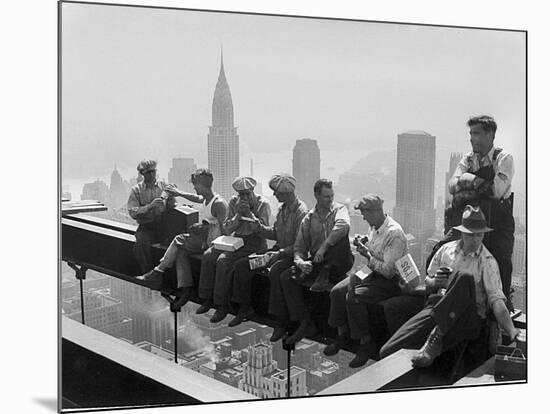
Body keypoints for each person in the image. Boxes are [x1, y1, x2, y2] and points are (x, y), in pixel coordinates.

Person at [379, 205, 520, 368]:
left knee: (464, 278)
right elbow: (428, 281)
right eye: (471, 235)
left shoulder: (487, 262)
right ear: (462, 233)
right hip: (438, 308)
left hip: (466, 317)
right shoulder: (446, 250)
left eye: (479, 235)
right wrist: (435, 282)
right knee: (387, 351)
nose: (475, 240)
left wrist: (511, 330)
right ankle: (426, 347)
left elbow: (497, 301)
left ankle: (436, 338)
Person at [437, 116, 515, 309]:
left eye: (477, 133)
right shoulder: (468, 158)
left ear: (490, 135)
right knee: (446, 250)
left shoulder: (503, 158)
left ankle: (500, 311)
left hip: (498, 220)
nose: (472, 139)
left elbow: (495, 191)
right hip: (471, 218)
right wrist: (476, 182)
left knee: (501, 261)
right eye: (471, 133)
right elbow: (452, 185)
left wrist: (466, 180)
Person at [325, 194, 409, 368]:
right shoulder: (374, 227)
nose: (363, 217)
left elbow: (388, 271)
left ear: (376, 211)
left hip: (389, 281)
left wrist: (366, 254)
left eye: (365, 213)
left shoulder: (394, 233)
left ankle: (365, 342)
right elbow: (374, 250)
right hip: (370, 271)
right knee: (336, 292)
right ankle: (342, 334)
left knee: (353, 296)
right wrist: (364, 243)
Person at [275, 179, 354, 346]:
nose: (330, 199)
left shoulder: (340, 210)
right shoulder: (309, 218)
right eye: (326, 196)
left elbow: (343, 226)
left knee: (338, 238)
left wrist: (324, 247)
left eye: (331, 196)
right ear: (317, 196)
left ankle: (325, 272)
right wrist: (301, 262)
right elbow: (299, 247)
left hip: (339, 260)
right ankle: (304, 321)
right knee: (287, 277)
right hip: (319, 262)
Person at [136, 169, 228, 309]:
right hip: (204, 239)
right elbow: (197, 198)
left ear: (202, 185)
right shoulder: (208, 198)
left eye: (195, 185)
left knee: (179, 239)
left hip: (212, 243)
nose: (194, 188)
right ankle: (185, 290)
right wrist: (179, 193)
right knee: (181, 252)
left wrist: (205, 227)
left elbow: (226, 230)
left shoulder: (219, 204)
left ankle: (158, 271)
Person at [227, 174, 308, 329]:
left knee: (276, 271)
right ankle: (245, 307)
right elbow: (274, 233)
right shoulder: (282, 209)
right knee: (243, 266)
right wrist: (257, 225)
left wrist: (280, 253)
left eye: (276, 192)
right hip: (277, 252)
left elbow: (300, 245)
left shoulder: (301, 212)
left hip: (291, 256)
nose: (274, 195)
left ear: (285, 193)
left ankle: (280, 319)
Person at [197, 176, 271, 323]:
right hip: (235, 240)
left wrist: (249, 214)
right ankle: (206, 297)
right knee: (208, 256)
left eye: (247, 194)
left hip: (255, 244)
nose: (244, 197)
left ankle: (222, 304)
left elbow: (264, 231)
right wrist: (238, 214)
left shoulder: (263, 204)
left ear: (252, 191)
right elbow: (227, 228)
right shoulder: (233, 202)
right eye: (241, 194)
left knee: (223, 261)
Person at [127, 160, 175, 272]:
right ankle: (148, 273)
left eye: (153, 171)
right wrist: (149, 207)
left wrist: (168, 200)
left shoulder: (163, 186)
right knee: (142, 247)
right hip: (146, 227)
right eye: (148, 172)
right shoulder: (136, 190)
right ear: (142, 174)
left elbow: (173, 199)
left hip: (163, 226)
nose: (152, 175)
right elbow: (132, 212)